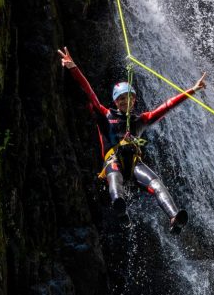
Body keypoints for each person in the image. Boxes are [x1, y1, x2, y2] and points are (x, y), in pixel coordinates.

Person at [58, 47, 206, 233]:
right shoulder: (105, 115)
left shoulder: (140, 120)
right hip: (113, 161)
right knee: (114, 179)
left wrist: (192, 90)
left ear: (134, 100)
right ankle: (121, 210)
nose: (125, 101)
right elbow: (90, 95)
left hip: (135, 164)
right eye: (121, 99)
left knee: (157, 184)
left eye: (129, 98)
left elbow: (166, 107)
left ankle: (174, 217)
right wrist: (73, 68)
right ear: (115, 102)